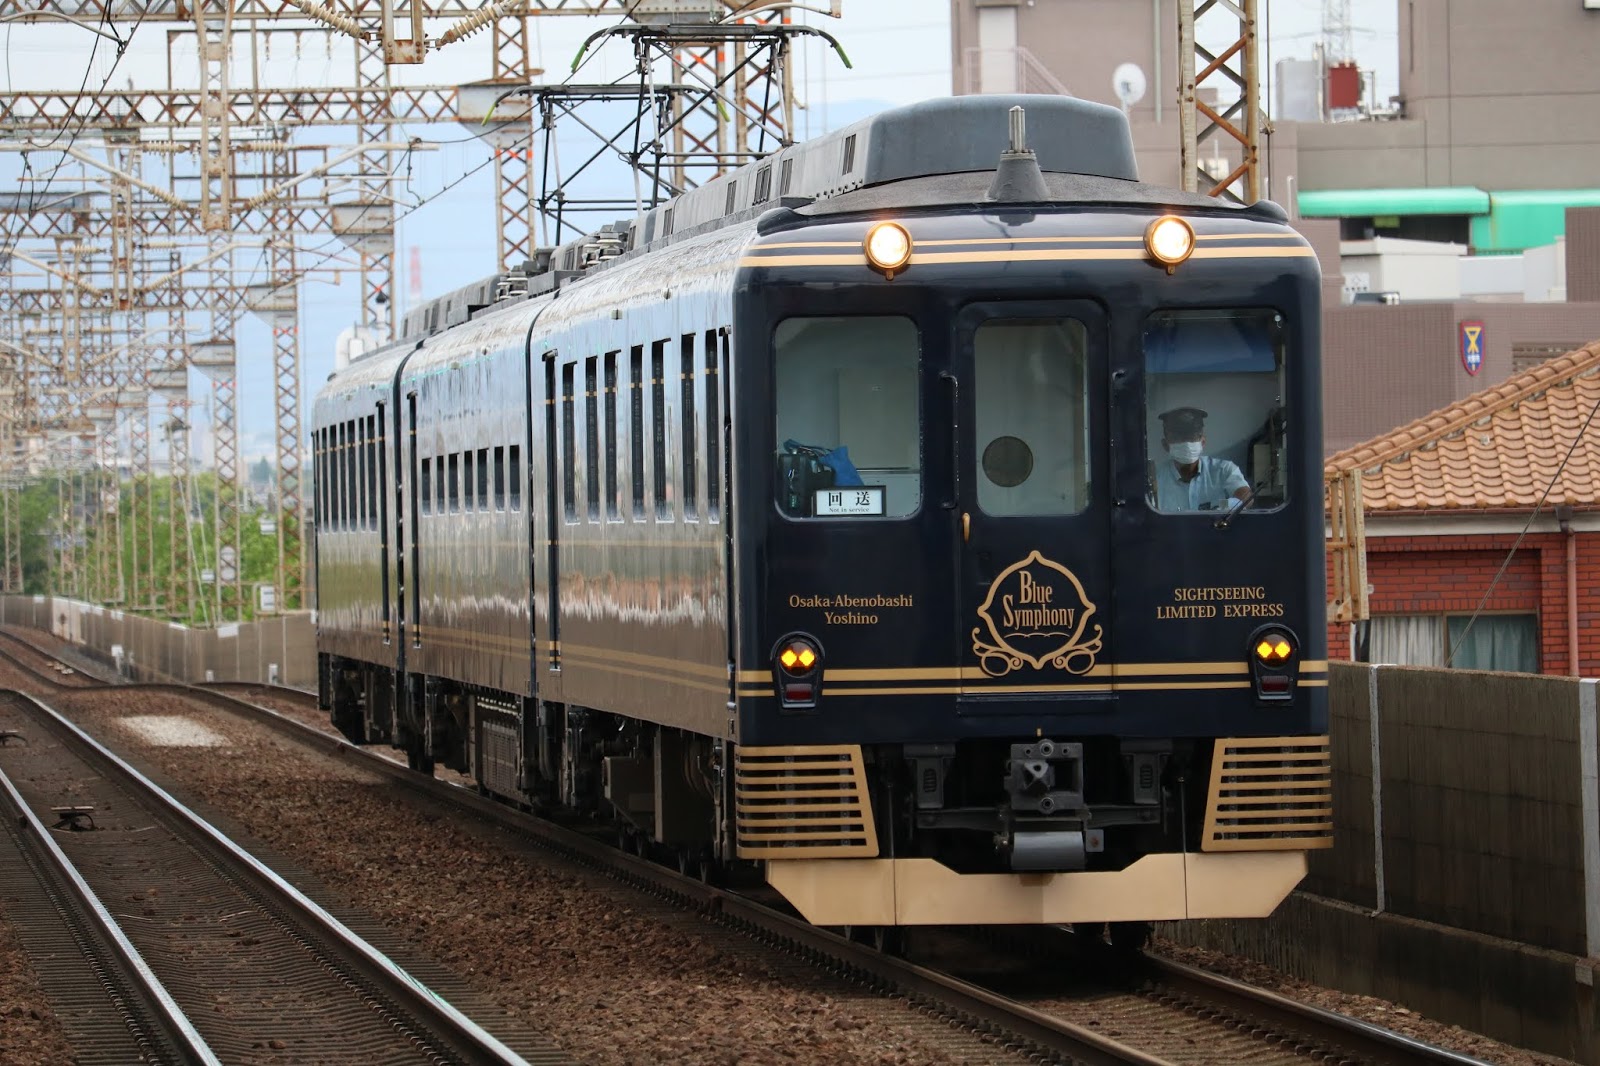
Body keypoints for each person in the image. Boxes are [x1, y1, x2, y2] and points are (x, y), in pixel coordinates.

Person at [1152, 407, 1250, 513]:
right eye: (1178, 438)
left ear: (1202, 442)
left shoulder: (1224, 470)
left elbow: (1246, 497)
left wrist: (1220, 505)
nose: (1186, 443)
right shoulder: (1154, 478)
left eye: (1192, 437)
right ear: (1166, 445)